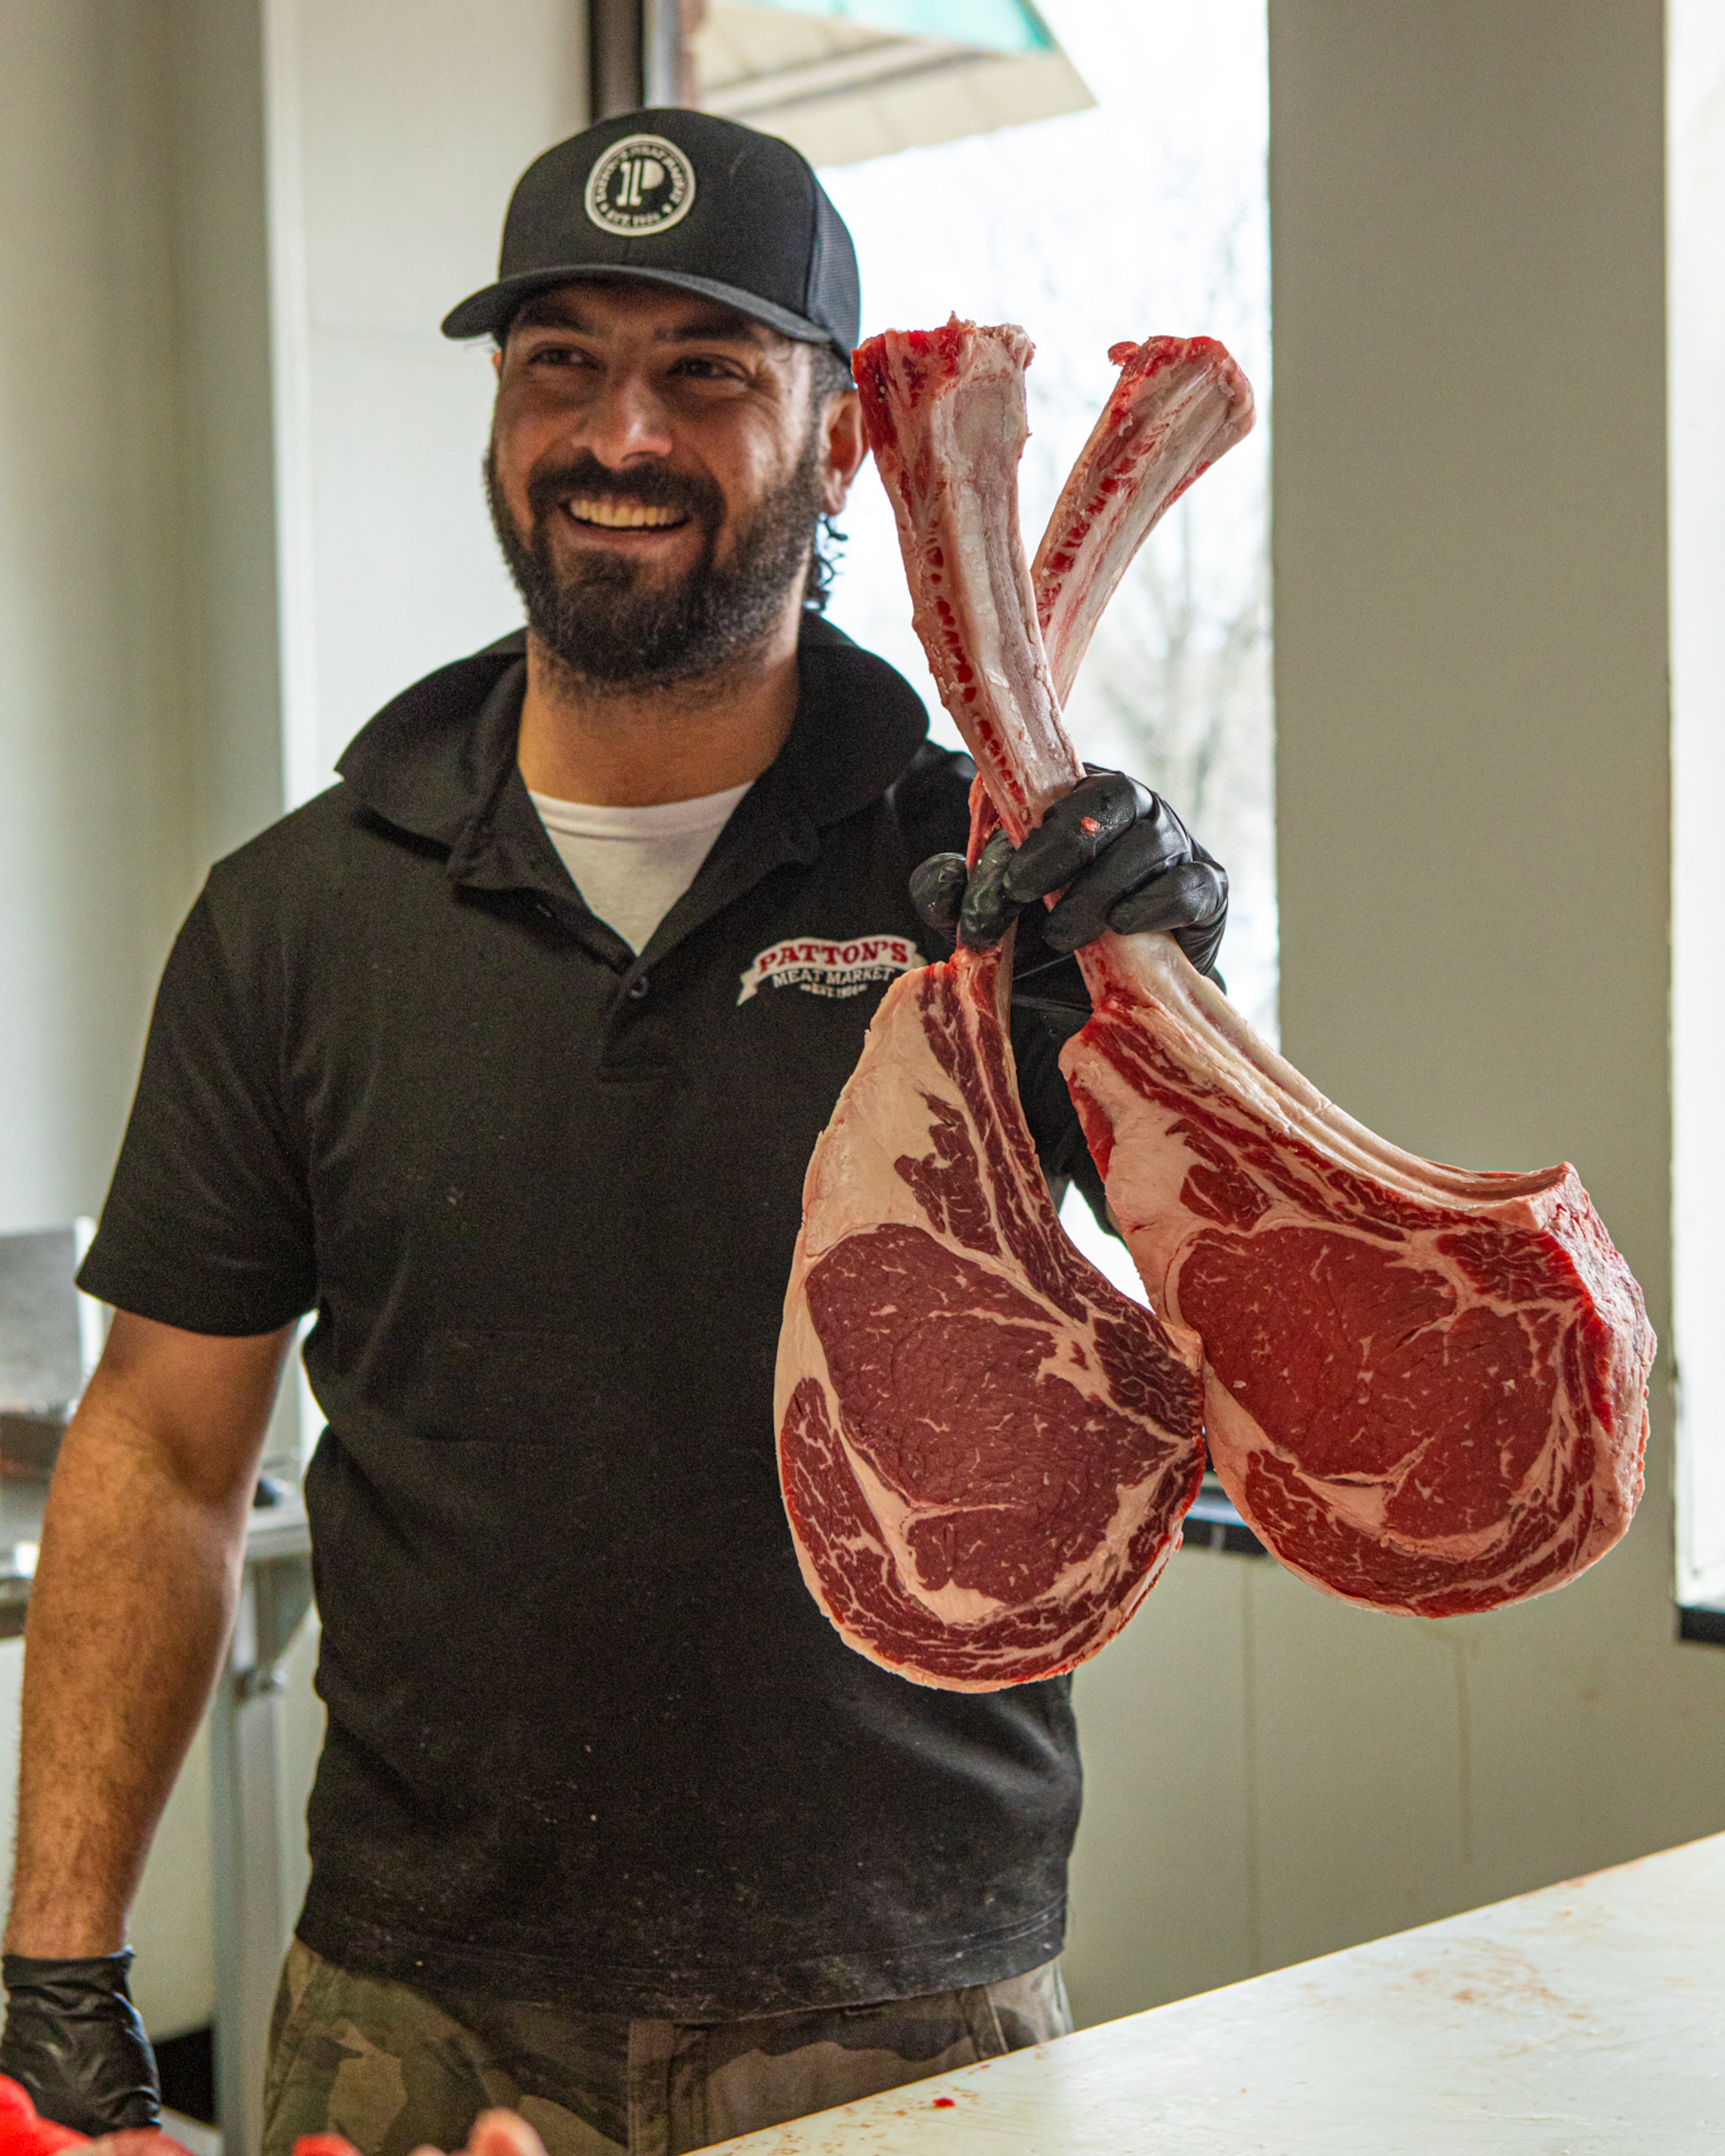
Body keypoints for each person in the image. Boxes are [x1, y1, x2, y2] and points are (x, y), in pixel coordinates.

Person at [0, 109, 1226, 2156]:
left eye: (707, 371)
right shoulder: (304, 914)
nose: (619, 432)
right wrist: (57, 1965)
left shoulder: (988, 884)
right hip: (418, 2008)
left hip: (903, 1997)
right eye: (559, 360)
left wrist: (1173, 992)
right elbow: (161, 1442)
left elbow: (1266, 1338)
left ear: (839, 439)